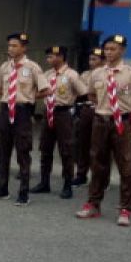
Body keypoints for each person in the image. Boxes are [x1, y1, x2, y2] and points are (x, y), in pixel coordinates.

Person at [76, 33, 131, 226]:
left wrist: (128, 108)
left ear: (123, 50)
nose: (109, 52)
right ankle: (93, 204)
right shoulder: (97, 73)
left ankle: (125, 208)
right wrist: (104, 107)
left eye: (114, 49)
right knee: (98, 163)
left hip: (122, 122)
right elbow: (92, 95)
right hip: (100, 121)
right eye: (107, 49)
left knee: (126, 165)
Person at [0, 32, 48, 204]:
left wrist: (28, 97)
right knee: (3, 149)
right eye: (9, 46)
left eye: (14, 46)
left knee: (23, 151)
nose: (10, 49)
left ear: (23, 47)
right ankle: (2, 188)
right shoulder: (5, 67)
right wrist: (10, 97)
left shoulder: (33, 67)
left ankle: (23, 192)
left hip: (22, 111)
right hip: (6, 109)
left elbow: (46, 89)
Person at [31, 45, 87, 199]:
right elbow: (40, 91)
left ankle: (67, 184)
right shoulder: (47, 74)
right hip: (48, 112)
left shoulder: (72, 75)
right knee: (45, 148)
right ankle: (44, 182)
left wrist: (75, 111)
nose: (49, 59)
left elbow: (84, 93)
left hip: (63, 113)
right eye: (48, 56)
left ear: (61, 57)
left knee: (66, 150)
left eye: (52, 56)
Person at [71, 48, 104, 186]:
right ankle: (81, 174)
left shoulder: (106, 74)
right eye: (90, 59)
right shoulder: (85, 74)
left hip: (101, 110)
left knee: (99, 145)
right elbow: (79, 92)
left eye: (95, 59)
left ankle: (101, 178)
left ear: (102, 61)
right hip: (86, 109)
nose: (91, 62)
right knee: (82, 143)